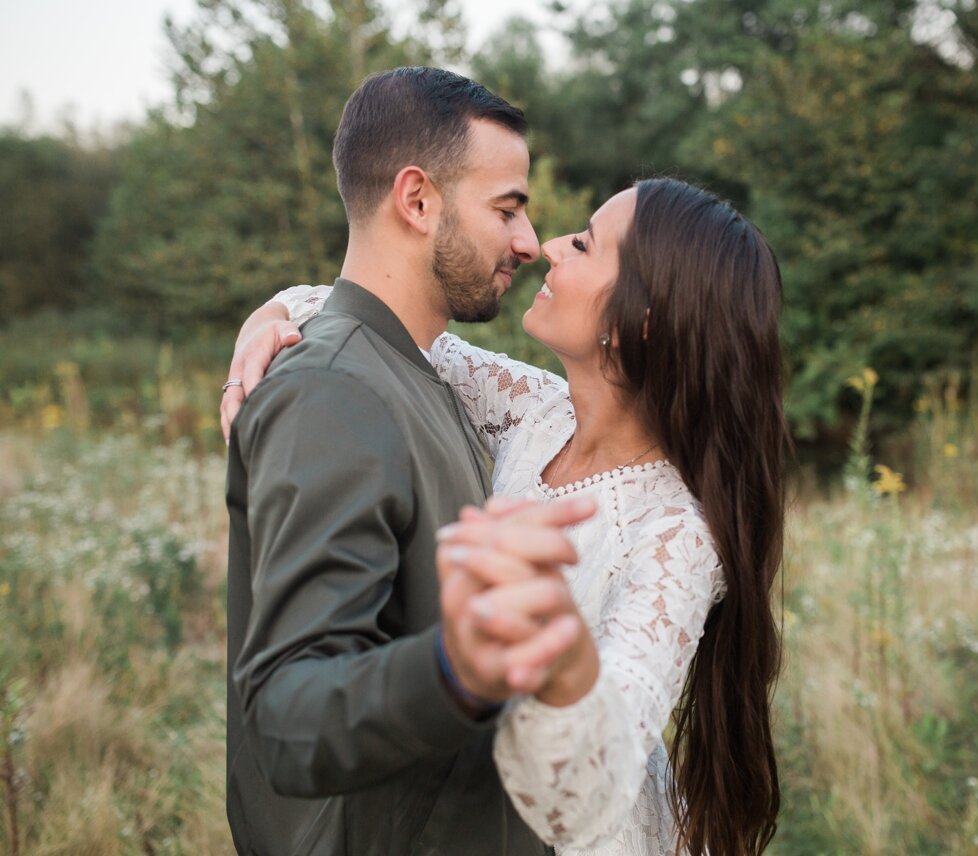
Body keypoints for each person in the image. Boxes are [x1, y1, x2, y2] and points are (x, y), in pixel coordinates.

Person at [226, 178, 787, 855]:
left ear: (639, 321)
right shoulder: (536, 410)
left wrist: (560, 657)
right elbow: (369, 320)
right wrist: (265, 326)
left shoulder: (677, 535)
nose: (549, 246)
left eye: (583, 244)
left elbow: (596, 774)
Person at [223, 66, 595, 856]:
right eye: (508, 209)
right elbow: (288, 719)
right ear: (418, 200)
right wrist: (455, 671)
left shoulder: (418, 378)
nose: (529, 242)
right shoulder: (332, 393)